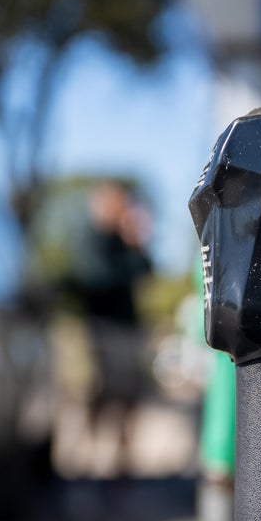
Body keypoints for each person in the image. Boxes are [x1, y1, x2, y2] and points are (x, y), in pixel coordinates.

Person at [71, 180, 152, 476]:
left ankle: (122, 459)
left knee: (129, 393)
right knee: (102, 393)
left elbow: (146, 269)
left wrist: (136, 241)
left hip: (126, 327)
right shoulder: (92, 239)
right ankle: (90, 458)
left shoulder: (121, 240)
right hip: (103, 328)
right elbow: (99, 279)